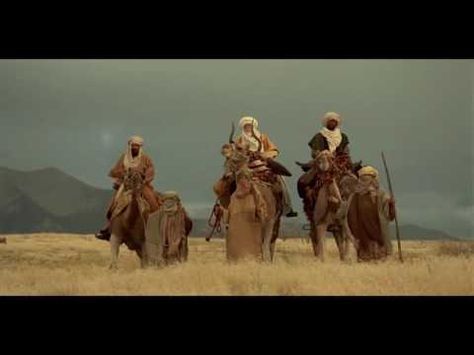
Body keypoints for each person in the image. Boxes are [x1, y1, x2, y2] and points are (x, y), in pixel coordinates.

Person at [95, 136, 161, 240]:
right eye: (133, 145)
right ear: (130, 146)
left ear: (140, 147)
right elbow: (116, 170)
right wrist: (124, 174)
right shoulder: (123, 157)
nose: (135, 147)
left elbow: (151, 170)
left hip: (141, 185)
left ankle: (157, 227)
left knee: (152, 200)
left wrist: (144, 178)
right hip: (126, 185)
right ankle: (108, 228)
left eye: (137, 146)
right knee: (115, 202)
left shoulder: (145, 158)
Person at [236, 116, 298, 218]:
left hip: (262, 163)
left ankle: (287, 206)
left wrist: (264, 155)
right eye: (246, 126)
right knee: (229, 181)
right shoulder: (239, 139)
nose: (248, 128)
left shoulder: (262, 137)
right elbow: (235, 153)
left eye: (250, 126)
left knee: (280, 180)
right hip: (245, 165)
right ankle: (228, 209)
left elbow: (274, 150)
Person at [346, 166, 396, 261]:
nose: (364, 181)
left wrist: (391, 205)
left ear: (373, 180)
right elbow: (350, 216)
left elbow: (389, 216)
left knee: (380, 260)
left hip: (378, 232)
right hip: (362, 233)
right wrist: (354, 234)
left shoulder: (381, 195)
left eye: (367, 178)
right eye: (363, 178)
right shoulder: (355, 196)